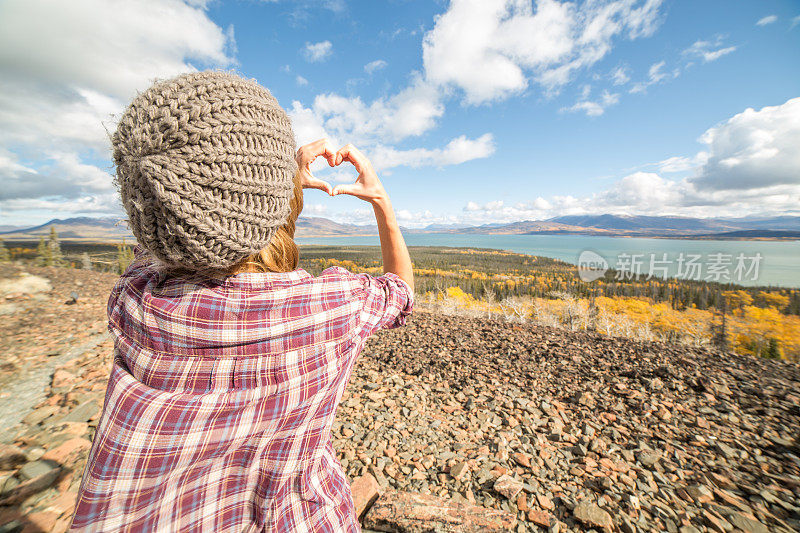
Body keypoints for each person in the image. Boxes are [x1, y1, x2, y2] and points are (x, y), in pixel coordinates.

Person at [70, 71, 414, 532]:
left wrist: (275, 181)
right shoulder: (331, 308)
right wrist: (381, 201)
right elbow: (401, 292)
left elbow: (169, 234)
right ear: (273, 196)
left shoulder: (134, 297)